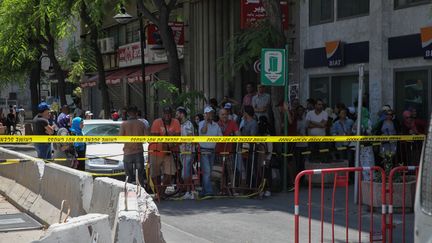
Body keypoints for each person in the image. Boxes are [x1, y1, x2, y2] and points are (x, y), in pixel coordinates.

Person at [149, 106, 181, 198]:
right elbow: (154, 137)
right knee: (155, 174)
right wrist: (170, 138)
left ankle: (161, 192)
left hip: (168, 151)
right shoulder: (156, 122)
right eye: (165, 113)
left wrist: (168, 140)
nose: (167, 115)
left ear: (172, 114)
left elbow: (178, 137)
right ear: (163, 114)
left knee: (170, 173)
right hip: (155, 151)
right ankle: (159, 193)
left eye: (169, 113)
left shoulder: (176, 122)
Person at [119, 106, 147, 186]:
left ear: (128, 113)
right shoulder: (141, 124)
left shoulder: (124, 124)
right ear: (136, 113)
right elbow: (147, 137)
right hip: (138, 152)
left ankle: (128, 193)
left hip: (128, 152)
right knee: (140, 176)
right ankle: (141, 193)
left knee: (128, 177)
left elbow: (120, 138)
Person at [198, 106, 222, 196]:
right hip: (204, 150)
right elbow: (203, 132)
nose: (210, 115)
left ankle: (204, 191)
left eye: (211, 113)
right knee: (207, 171)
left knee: (209, 171)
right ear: (205, 114)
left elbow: (220, 137)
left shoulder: (216, 125)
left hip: (212, 150)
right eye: (208, 113)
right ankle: (208, 191)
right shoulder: (201, 123)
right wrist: (206, 121)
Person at [216, 108, 240, 195]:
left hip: (229, 151)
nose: (224, 116)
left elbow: (238, 134)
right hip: (219, 151)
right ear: (219, 116)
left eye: (226, 114)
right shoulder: (216, 124)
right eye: (222, 114)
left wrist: (234, 135)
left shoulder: (232, 123)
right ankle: (222, 190)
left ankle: (233, 190)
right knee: (221, 172)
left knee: (231, 171)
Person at [175, 107, 196, 200]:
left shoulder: (188, 124)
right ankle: (189, 191)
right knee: (185, 171)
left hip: (188, 151)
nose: (176, 116)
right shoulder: (180, 125)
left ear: (182, 114)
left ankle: (189, 191)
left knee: (185, 173)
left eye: (177, 114)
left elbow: (190, 138)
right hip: (182, 151)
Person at [353, 107, 374, 181]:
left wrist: (364, 129)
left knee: (367, 161)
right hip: (359, 145)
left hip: (366, 145)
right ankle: (361, 179)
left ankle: (368, 179)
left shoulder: (368, 121)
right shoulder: (357, 121)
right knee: (360, 161)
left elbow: (369, 132)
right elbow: (353, 130)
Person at [257, 116, 273, 197]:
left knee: (266, 174)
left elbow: (270, 149)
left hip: (266, 158)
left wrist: (268, 159)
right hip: (260, 158)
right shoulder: (258, 135)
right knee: (261, 174)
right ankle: (261, 189)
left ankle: (268, 189)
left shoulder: (268, 136)